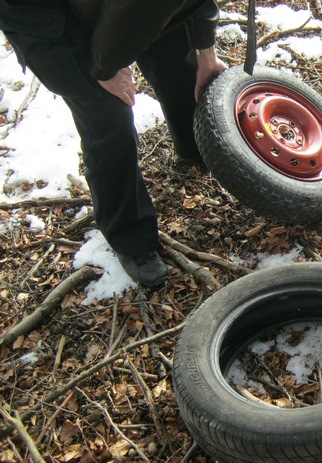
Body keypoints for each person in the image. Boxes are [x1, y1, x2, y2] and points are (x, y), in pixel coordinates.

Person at [0, 0, 228, 287]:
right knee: (108, 114)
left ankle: (195, 145)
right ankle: (130, 238)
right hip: (46, 13)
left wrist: (205, 51)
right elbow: (132, 9)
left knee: (177, 59)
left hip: (120, 6)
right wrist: (105, 67)